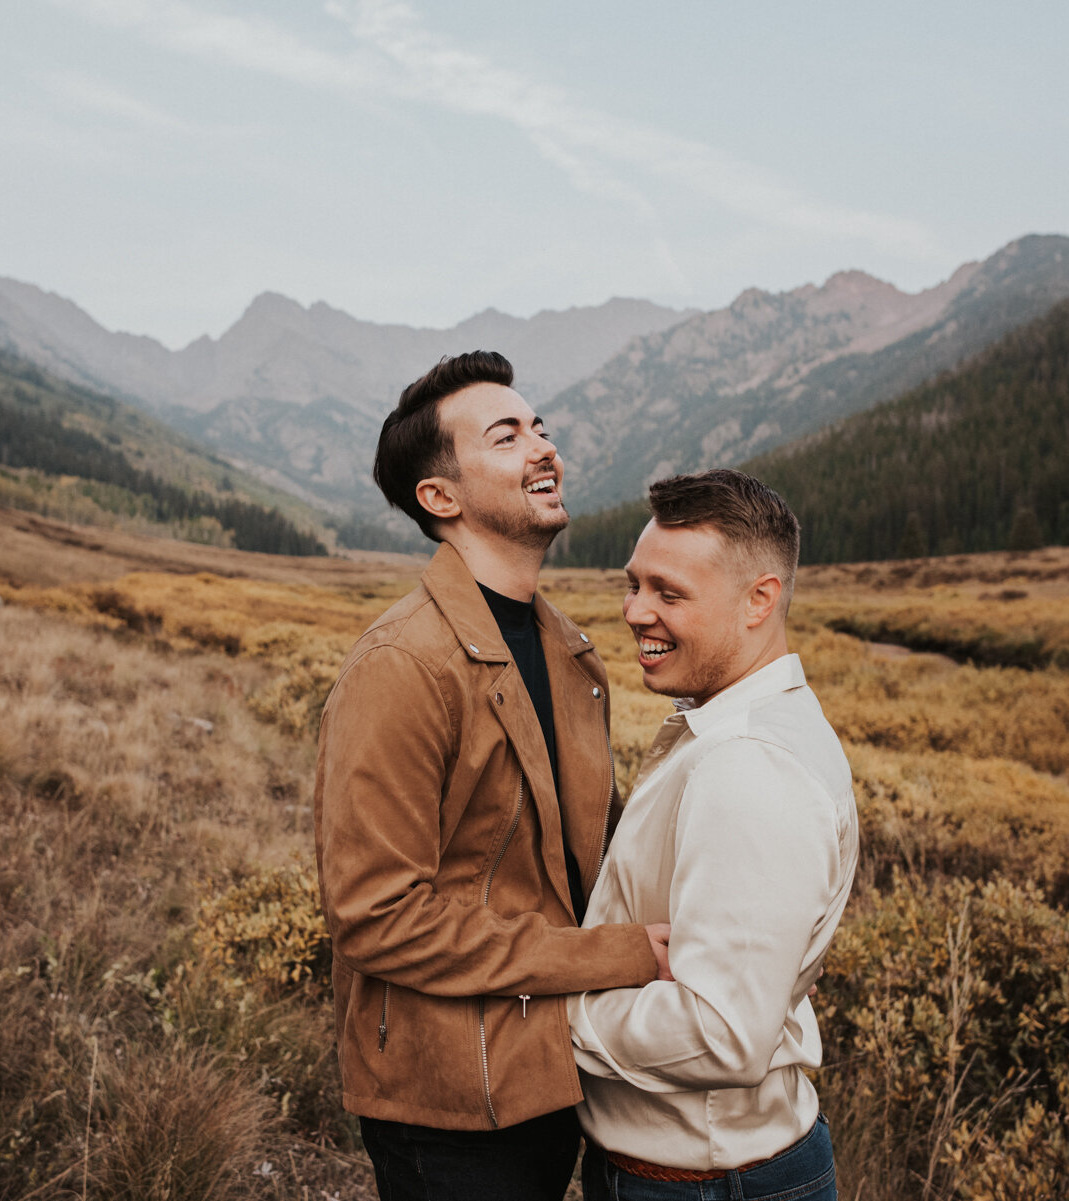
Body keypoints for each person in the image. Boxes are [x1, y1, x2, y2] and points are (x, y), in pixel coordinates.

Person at [313, 350, 673, 1201]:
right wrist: (610, 955)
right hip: (450, 1103)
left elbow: (589, 866)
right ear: (442, 497)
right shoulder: (401, 665)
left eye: (540, 427)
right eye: (506, 436)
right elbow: (376, 916)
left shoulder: (574, 656)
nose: (542, 447)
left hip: (557, 1066)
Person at [570, 468, 858, 1201]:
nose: (636, 611)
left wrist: (551, 1012)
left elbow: (721, 1027)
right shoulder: (736, 731)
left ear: (760, 598)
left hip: (704, 1184)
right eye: (634, 584)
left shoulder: (749, 766)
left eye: (670, 593)